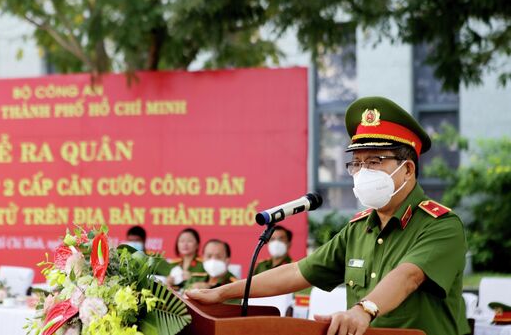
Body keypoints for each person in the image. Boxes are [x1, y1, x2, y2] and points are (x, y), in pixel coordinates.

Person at [187, 96, 470, 335]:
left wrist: (363, 311)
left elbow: (408, 275)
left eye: (374, 161)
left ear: (407, 169)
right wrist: (223, 293)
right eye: (357, 163)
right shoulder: (358, 229)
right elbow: (298, 272)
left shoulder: (442, 226)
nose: (362, 172)